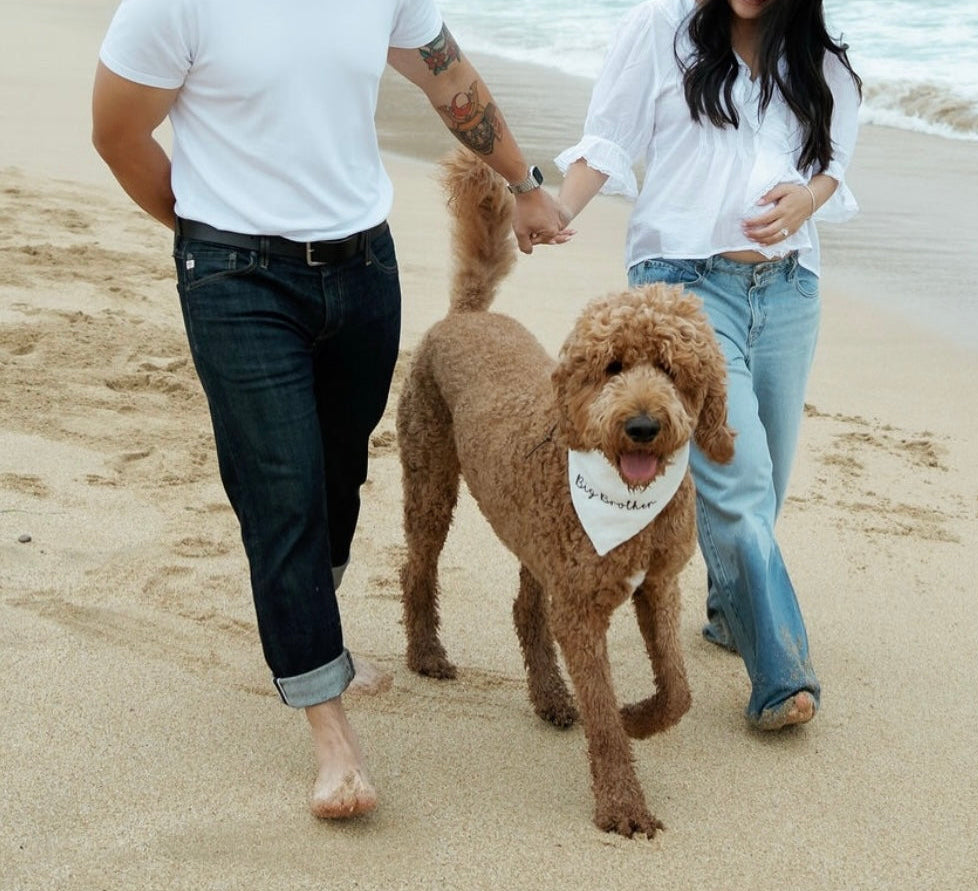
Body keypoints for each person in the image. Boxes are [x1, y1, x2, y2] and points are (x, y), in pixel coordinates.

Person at [91, 0, 566, 819]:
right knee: (281, 489)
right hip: (235, 276)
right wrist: (208, 228)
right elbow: (117, 131)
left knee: (339, 471)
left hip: (361, 267)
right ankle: (330, 730)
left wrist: (524, 186)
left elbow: (449, 76)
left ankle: (321, 632)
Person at [552, 0, 862, 730]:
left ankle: (729, 613)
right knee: (738, 475)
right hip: (683, 285)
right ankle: (780, 674)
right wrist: (553, 211)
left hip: (788, 287)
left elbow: (831, 166)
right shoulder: (658, 28)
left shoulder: (822, 56)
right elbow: (607, 142)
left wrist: (803, 202)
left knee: (768, 476)